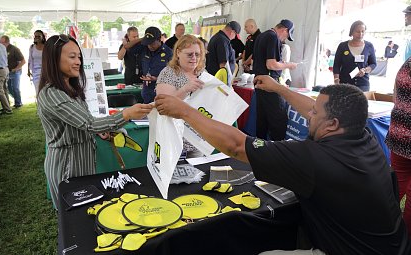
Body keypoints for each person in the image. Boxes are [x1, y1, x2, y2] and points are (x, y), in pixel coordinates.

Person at [155, 80, 410, 255]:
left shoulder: (313, 157)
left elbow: (236, 146)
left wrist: (186, 112)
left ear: (332, 124)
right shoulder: (363, 136)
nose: (309, 114)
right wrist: (279, 89)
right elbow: (313, 108)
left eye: (315, 112)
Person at [37, 34, 153, 208]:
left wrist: (100, 129)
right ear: (53, 58)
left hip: (82, 164)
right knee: (74, 218)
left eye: (79, 57)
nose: (78, 62)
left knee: (86, 211)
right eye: (71, 57)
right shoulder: (53, 94)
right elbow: (89, 124)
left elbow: (82, 122)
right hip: (67, 167)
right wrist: (126, 114)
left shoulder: (68, 87)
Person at [156, 34, 205, 158]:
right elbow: (162, 106)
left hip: (199, 140)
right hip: (174, 141)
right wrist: (185, 89)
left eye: (197, 54)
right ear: (178, 52)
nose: (194, 58)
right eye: (189, 54)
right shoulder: (168, 73)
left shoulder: (202, 72)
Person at [386, 5, 411, 238]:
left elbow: (396, 93)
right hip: (404, 137)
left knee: (395, 191)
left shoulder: (408, 61)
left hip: (400, 134)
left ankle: (389, 235)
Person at [252, 19, 298, 140]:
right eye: (287, 36)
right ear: (284, 30)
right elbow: (271, 64)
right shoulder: (273, 37)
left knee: (262, 120)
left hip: (259, 81)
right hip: (269, 83)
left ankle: (259, 149)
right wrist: (289, 65)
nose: (284, 39)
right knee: (279, 120)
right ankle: (278, 152)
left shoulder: (262, 35)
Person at [122, 26, 173, 103]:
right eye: (148, 43)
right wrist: (143, 39)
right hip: (147, 93)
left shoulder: (168, 53)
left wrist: (156, 78)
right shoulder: (144, 47)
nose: (149, 46)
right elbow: (127, 46)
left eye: (152, 43)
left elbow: (174, 75)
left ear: (159, 39)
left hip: (162, 92)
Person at [332, 20, 376, 92]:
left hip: (363, 85)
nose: (360, 34)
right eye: (357, 31)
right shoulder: (342, 46)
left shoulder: (369, 46)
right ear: (352, 32)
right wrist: (336, 80)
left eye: (363, 31)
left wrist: (365, 70)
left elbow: (373, 64)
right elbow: (336, 65)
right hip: (345, 84)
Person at [0, 35, 26, 108]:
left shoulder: (14, 49)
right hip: (7, 71)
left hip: (15, 71)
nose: (0, 44)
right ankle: (18, 99)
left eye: (2, 42)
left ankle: (18, 103)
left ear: (7, 42)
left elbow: (23, 61)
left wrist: (16, 69)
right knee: (9, 88)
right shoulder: (1, 50)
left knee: (15, 87)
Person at [28, 30, 46, 94]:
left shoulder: (46, 47)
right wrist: (28, 71)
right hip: (35, 72)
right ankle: (39, 103)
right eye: (35, 36)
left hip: (46, 71)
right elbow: (30, 60)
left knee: (45, 89)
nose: (37, 37)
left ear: (43, 37)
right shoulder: (32, 47)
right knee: (38, 90)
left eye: (39, 36)